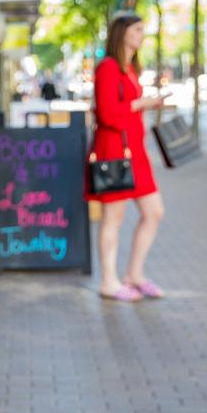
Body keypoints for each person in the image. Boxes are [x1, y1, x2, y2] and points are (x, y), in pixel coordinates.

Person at [86, 15, 166, 302]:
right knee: (113, 219)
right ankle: (108, 281)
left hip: (136, 153)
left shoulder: (131, 67)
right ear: (123, 33)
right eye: (138, 29)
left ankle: (134, 274)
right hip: (114, 152)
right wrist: (142, 103)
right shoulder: (108, 67)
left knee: (154, 211)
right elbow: (107, 113)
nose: (143, 34)